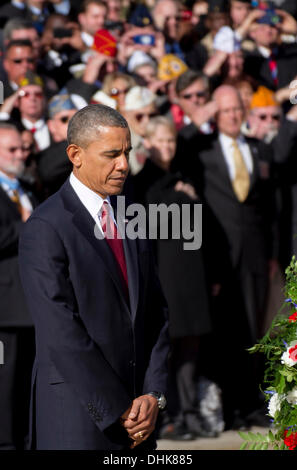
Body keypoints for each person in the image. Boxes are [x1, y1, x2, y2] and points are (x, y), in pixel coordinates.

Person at [18, 103, 170, 450]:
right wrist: (119, 408)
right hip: (77, 419)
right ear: (76, 154)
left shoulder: (131, 215)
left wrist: (153, 394)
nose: (123, 165)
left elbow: (156, 312)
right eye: (112, 154)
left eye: (127, 152)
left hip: (140, 422)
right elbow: (60, 331)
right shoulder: (46, 227)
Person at [175, 84, 277, 429]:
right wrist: (194, 121)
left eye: (237, 109)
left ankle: (252, 404)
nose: (233, 116)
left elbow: (271, 207)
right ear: (215, 114)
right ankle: (228, 408)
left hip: (256, 256)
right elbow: (177, 152)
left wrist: (273, 254)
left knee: (255, 331)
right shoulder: (201, 150)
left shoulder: (259, 149)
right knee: (224, 333)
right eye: (226, 110)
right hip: (217, 256)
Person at [132, 116, 215, 440]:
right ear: (148, 143)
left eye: (171, 141)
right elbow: (150, 220)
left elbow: (200, 225)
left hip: (191, 274)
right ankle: (167, 415)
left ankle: (190, 413)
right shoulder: (143, 182)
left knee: (191, 345)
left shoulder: (181, 176)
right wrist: (182, 197)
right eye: (161, 141)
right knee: (166, 349)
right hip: (164, 275)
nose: (167, 147)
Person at [0, 122, 37, 449]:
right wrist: (27, 227)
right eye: (12, 149)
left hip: (31, 304)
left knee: (28, 379)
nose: (20, 155)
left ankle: (26, 440)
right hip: (5, 306)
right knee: (6, 381)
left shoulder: (26, 188)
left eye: (23, 149)